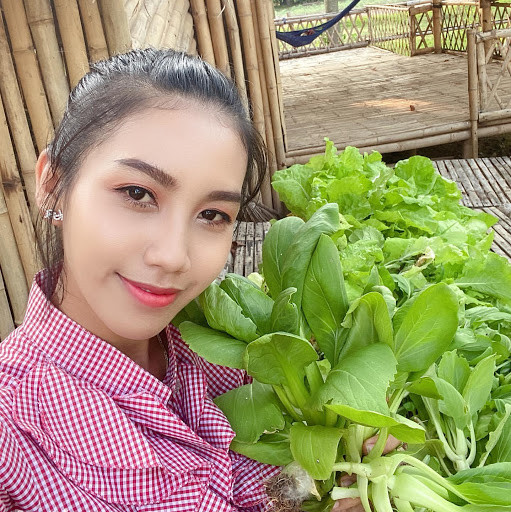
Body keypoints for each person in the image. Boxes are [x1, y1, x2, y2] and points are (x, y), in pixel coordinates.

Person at [0, 48, 280, 511]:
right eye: (137, 193)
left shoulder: (237, 352)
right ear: (52, 186)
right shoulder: (13, 437)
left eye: (212, 214)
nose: (173, 257)